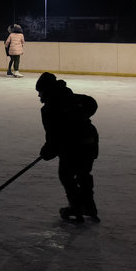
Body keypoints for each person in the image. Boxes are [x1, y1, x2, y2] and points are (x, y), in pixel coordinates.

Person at [34, 72, 99, 223]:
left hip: (72, 147)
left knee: (66, 175)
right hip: (90, 142)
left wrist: (47, 151)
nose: (39, 96)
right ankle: (89, 207)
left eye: (40, 92)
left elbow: (53, 136)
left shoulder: (48, 110)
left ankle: (76, 207)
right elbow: (92, 104)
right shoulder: (75, 98)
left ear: (47, 91)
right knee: (83, 174)